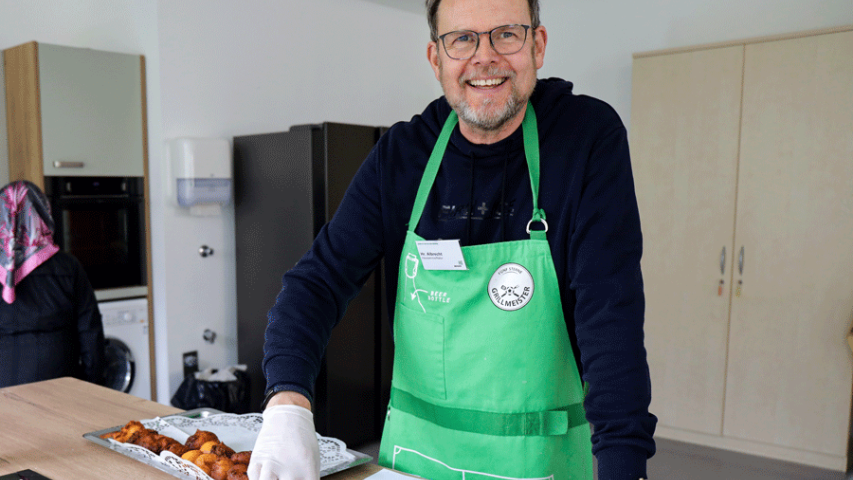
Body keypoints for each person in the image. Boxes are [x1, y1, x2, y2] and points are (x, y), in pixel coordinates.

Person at [248, 0, 657, 478]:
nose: (484, 57)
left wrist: (624, 464)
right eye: (462, 39)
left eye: (506, 34)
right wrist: (287, 403)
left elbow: (611, 315)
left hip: (538, 465)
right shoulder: (402, 156)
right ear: (436, 58)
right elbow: (315, 284)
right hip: (415, 464)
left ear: (538, 45)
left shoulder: (585, 139)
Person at [0, 180, 105, 388]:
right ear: (43, 215)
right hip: (61, 382)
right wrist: (92, 385)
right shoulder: (68, 266)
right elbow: (91, 333)